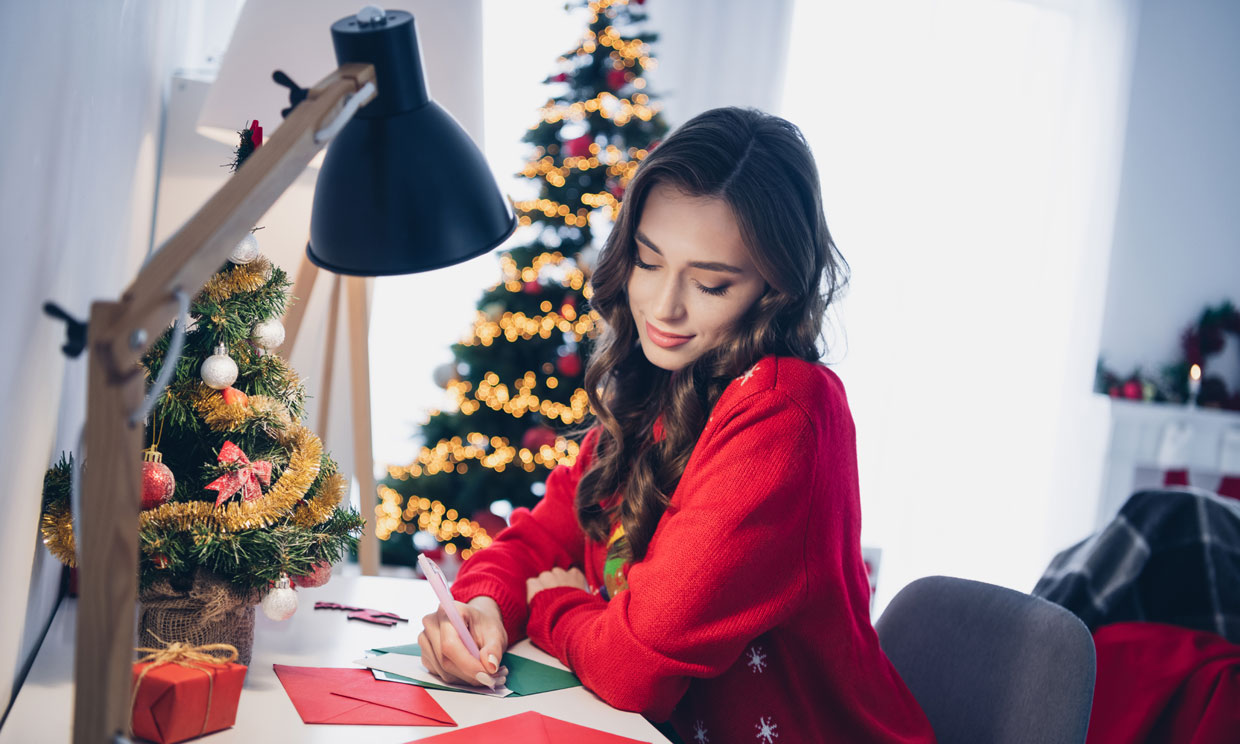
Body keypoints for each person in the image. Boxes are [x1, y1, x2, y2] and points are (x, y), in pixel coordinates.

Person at [417, 107, 936, 743]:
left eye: (712, 284)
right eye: (648, 260)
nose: (664, 308)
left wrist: (554, 602)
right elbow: (543, 539)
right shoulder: (667, 381)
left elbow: (631, 667)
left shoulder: (784, 412)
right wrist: (481, 607)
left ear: (775, 290)